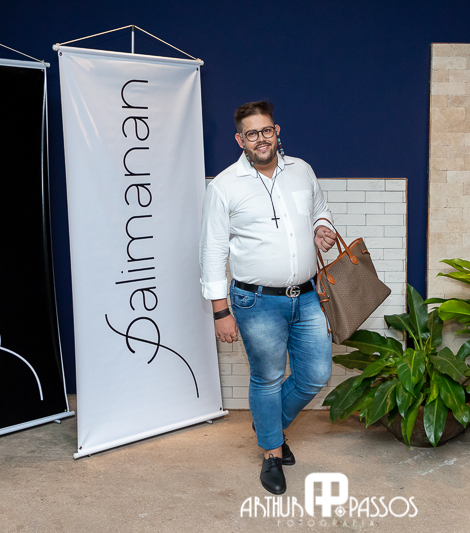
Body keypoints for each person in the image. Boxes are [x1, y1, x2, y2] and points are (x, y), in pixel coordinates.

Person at [199, 101, 337, 495]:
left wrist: (322, 227)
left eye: (266, 131)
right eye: (251, 134)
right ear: (240, 140)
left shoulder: (302, 171)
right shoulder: (224, 185)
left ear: (277, 131)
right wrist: (220, 311)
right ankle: (272, 452)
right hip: (255, 302)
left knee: (315, 375)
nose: (261, 139)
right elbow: (212, 251)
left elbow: (320, 210)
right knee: (268, 378)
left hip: (307, 296)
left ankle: (267, 426)